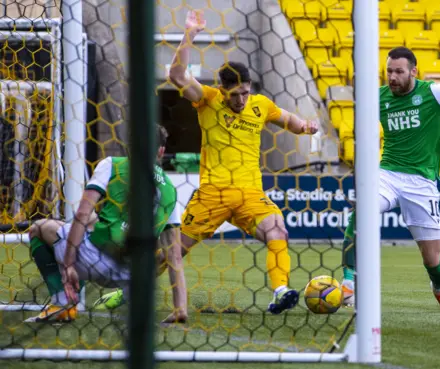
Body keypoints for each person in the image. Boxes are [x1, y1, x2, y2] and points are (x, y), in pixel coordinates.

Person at [148, 9, 315, 315]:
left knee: (277, 229)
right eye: (236, 94)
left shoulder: (260, 105)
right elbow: (175, 75)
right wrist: (190, 34)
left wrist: (304, 126)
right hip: (213, 195)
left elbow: (287, 119)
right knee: (173, 252)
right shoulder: (207, 99)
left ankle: (280, 291)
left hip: (251, 193)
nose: (242, 100)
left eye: (246, 93)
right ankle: (129, 288)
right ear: (223, 90)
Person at [341, 47, 440, 313]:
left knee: (432, 260)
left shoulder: (434, 93)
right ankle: (349, 284)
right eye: (389, 71)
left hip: (421, 183)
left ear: (413, 71)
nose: (392, 77)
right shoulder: (377, 98)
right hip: (388, 174)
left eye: (399, 72)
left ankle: (439, 288)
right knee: (362, 210)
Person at [25, 124, 187, 323]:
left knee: (40, 228)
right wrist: (180, 308)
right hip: (132, 276)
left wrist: (68, 265)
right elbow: (175, 256)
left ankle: (62, 302)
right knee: (97, 222)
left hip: (94, 260)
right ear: (161, 151)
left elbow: (82, 213)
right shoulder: (172, 191)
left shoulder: (113, 164)